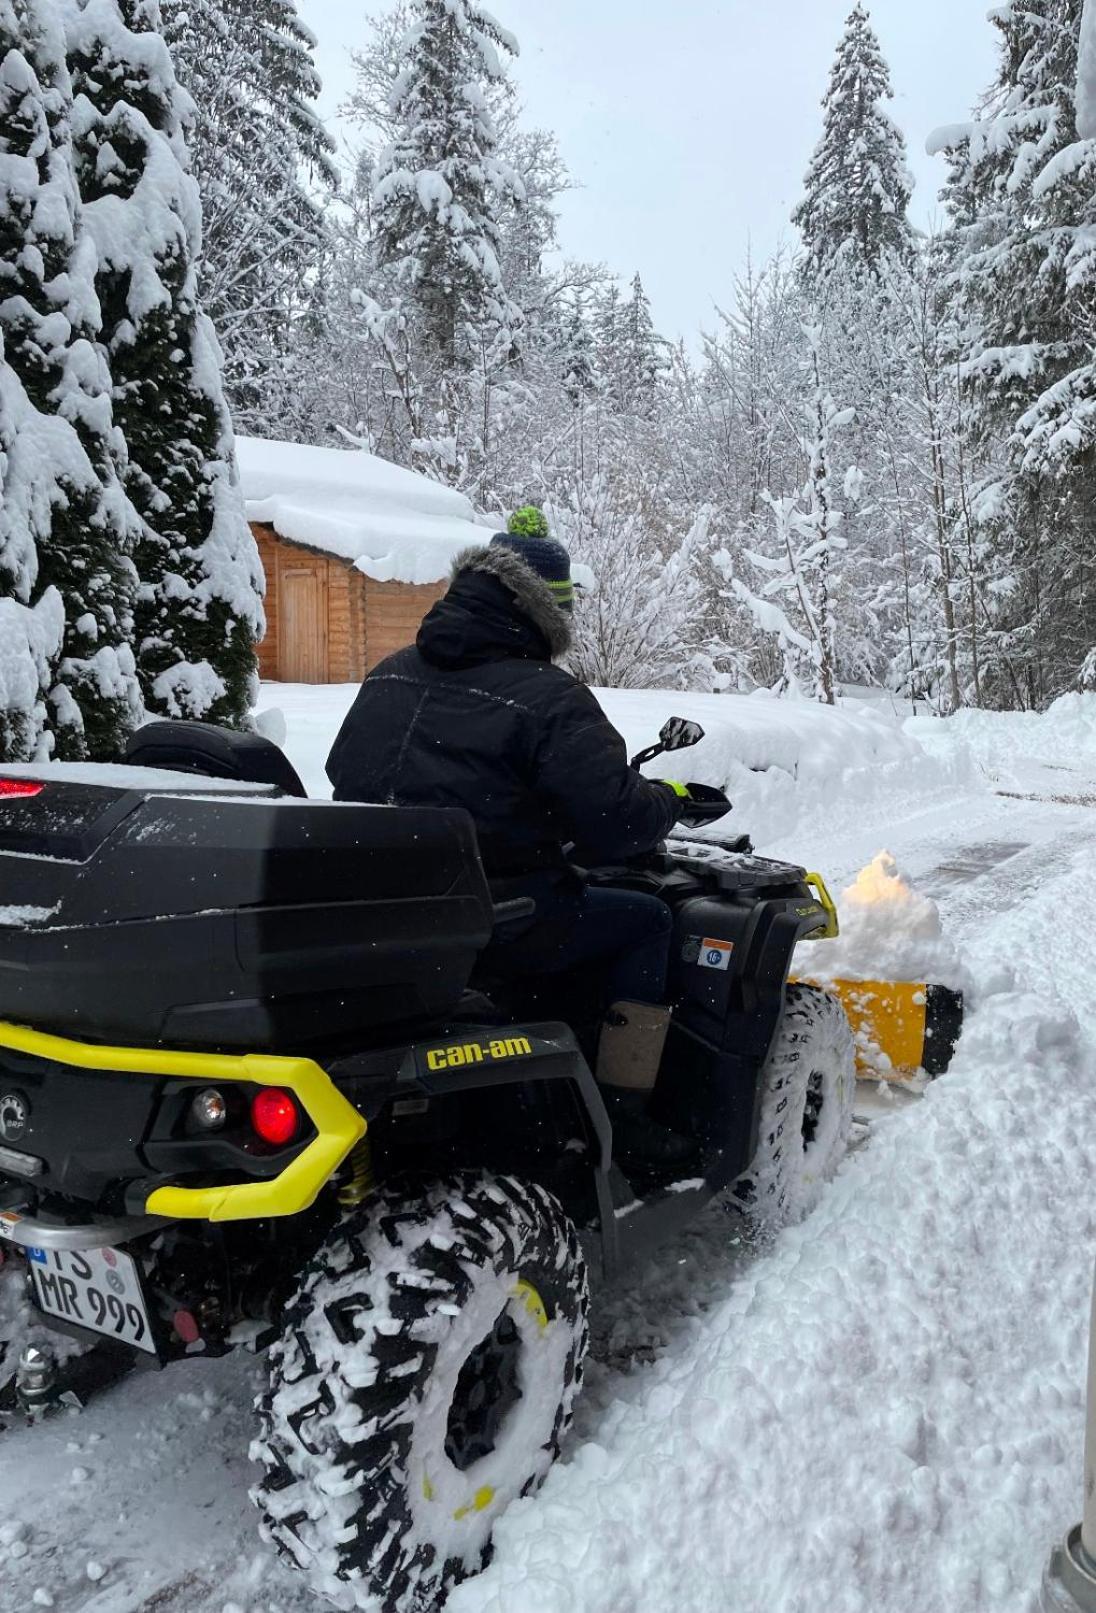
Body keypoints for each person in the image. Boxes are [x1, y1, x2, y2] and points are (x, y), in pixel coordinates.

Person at [326, 505, 694, 1158]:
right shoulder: (548, 697)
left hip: (381, 916)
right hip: (499, 919)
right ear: (545, 613)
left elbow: (345, 773)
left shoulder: (389, 673)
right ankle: (623, 1113)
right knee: (647, 921)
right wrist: (670, 799)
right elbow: (617, 821)